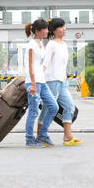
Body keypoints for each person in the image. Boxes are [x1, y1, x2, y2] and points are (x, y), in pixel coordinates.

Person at [37, 18, 83, 146]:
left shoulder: (64, 44)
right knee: (47, 109)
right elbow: (45, 63)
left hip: (62, 81)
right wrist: (39, 78)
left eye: (64, 26)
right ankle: (41, 136)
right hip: (51, 80)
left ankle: (67, 137)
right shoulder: (51, 45)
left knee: (69, 107)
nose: (64, 29)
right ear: (54, 30)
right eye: (61, 27)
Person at [24, 19, 59, 148]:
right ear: (38, 31)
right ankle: (29, 139)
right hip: (34, 83)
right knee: (33, 112)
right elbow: (30, 66)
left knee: (54, 107)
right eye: (45, 29)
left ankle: (42, 135)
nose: (47, 31)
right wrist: (33, 85)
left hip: (42, 82)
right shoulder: (31, 45)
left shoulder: (41, 44)